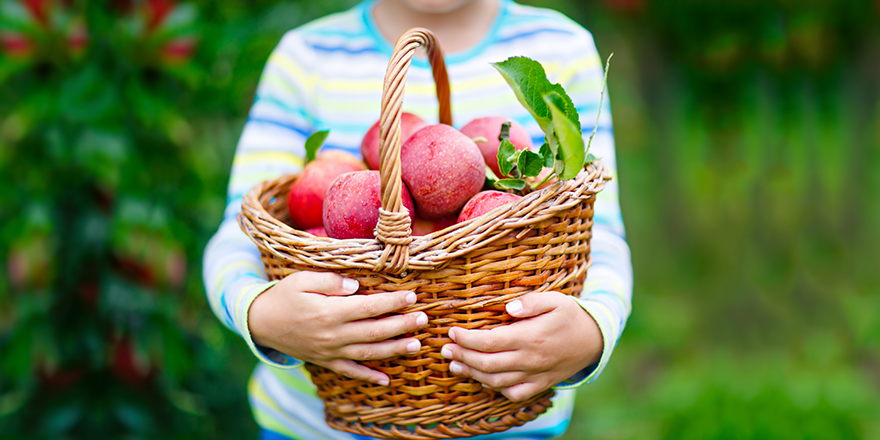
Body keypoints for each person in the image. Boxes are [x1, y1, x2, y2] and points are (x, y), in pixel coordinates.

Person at [202, 0, 633, 438]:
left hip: (507, 421)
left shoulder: (561, 47)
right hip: (309, 427)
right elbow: (238, 235)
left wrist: (592, 331)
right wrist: (264, 316)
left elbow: (600, 236)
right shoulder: (307, 59)